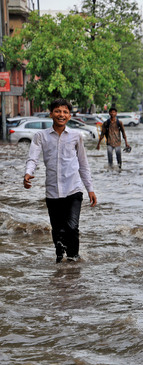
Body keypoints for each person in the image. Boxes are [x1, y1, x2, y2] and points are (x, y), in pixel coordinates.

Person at [23, 98, 97, 263]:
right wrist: (28, 174)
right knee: (57, 231)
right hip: (53, 191)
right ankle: (60, 261)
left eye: (65, 112)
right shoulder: (40, 136)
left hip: (74, 189)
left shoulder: (76, 136)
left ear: (69, 116)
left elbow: (83, 164)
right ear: (51, 114)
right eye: (57, 111)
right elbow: (32, 158)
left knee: (72, 228)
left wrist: (90, 189)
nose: (61, 115)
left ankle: (73, 261)